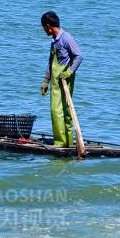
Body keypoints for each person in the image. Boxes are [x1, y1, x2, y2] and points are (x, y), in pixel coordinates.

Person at [39, 11, 83, 151]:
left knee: (59, 110)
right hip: (55, 82)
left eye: (43, 28)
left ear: (48, 26)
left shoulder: (66, 38)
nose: (44, 31)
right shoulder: (54, 42)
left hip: (65, 80)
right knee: (59, 110)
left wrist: (69, 71)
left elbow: (79, 56)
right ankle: (66, 141)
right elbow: (50, 63)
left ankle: (62, 142)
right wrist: (46, 81)